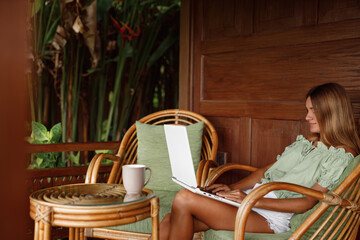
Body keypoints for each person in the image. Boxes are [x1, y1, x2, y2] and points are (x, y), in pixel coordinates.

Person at [151, 82, 360, 240]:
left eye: (313, 111)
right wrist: (230, 188)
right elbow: (264, 172)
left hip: (271, 215)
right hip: (253, 200)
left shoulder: (341, 155)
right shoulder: (306, 142)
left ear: (331, 112)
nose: (307, 117)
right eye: (307, 110)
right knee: (169, 220)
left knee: (184, 198)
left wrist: (251, 200)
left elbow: (308, 201)